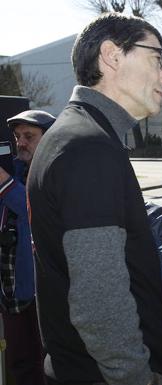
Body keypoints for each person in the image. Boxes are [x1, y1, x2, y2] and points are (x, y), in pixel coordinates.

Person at [27, 13, 162, 385]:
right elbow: (98, 298)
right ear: (111, 55)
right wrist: (137, 378)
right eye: (157, 58)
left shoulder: (78, 136)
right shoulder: (88, 147)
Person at [0, 110, 55, 385]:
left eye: (29, 136)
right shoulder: (13, 170)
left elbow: (35, 210)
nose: (21, 142)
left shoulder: (56, 174)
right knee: (18, 364)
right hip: (12, 292)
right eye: (17, 136)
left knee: (47, 364)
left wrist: (5, 184)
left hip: (44, 293)